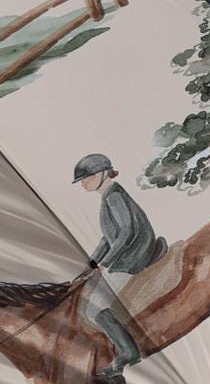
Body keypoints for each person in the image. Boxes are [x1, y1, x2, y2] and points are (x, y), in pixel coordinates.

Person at [69, 149, 165, 369]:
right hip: (127, 253)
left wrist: (105, 263)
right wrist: (90, 265)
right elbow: (107, 238)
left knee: (94, 308)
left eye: (87, 178)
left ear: (103, 174)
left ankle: (129, 352)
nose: (83, 183)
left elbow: (126, 232)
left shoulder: (114, 197)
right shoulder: (108, 198)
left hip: (134, 255)